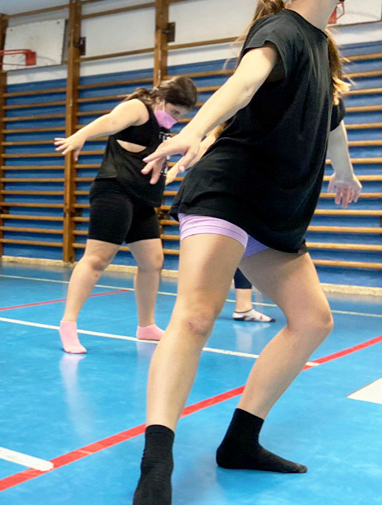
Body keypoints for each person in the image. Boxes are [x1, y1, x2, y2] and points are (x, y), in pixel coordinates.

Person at [132, 2, 360, 504]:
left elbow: (332, 119)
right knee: (195, 316)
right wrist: (192, 131)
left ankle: (240, 441)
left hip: (277, 208)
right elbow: (243, 84)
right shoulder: (282, 29)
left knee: (312, 320)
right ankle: (155, 462)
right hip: (230, 190)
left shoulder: (321, 49)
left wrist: (344, 170)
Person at [53, 76, 198, 353]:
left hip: (143, 198)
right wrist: (81, 135)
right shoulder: (139, 108)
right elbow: (109, 121)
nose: (176, 120)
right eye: (175, 113)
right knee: (97, 259)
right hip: (114, 191)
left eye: (182, 116)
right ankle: (68, 325)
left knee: (153, 262)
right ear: (162, 100)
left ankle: (146, 327)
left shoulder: (162, 126)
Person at [166, 125, 275, 324]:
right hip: (218, 196)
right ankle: (187, 317)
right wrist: (175, 169)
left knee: (243, 250)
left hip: (250, 196)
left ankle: (244, 307)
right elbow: (205, 144)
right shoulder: (233, 120)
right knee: (195, 307)